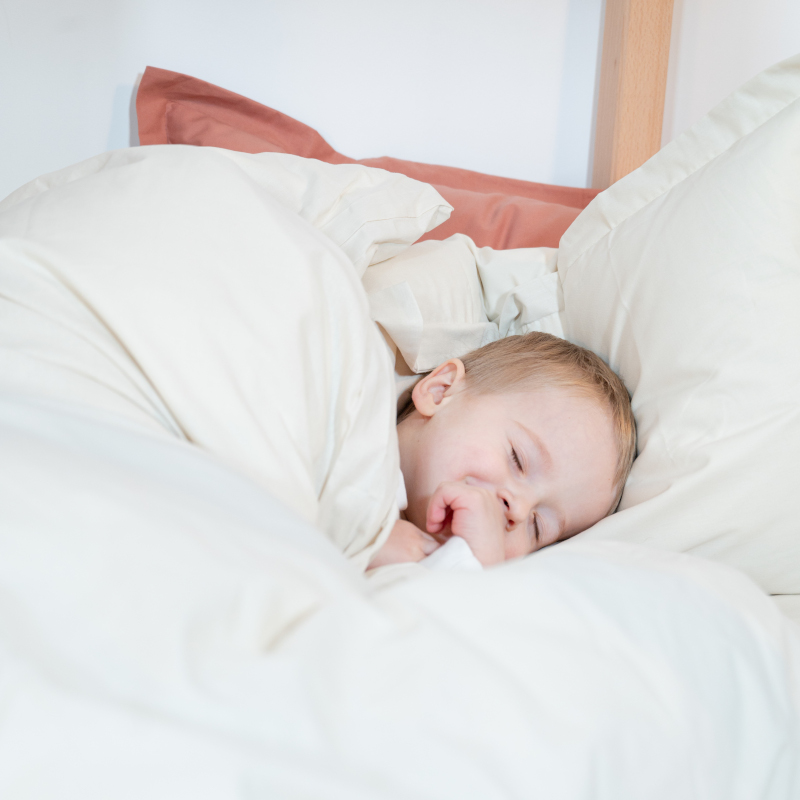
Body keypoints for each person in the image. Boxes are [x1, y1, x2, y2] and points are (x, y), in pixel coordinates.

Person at [367, 332, 636, 570]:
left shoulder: (459, 585)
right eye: (517, 460)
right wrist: (362, 542)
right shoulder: (351, 429)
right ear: (442, 391)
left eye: (537, 526)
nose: (517, 510)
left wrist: (470, 569)